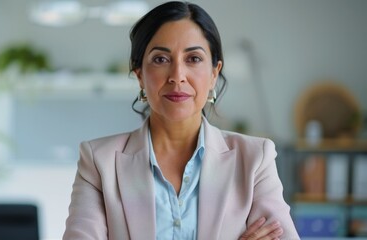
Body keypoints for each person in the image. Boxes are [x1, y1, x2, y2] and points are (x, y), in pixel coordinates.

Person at [63, 1, 300, 239]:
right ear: (140, 76)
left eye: (194, 59)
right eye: (161, 59)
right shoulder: (98, 162)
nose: (177, 76)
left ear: (214, 74)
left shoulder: (255, 159)